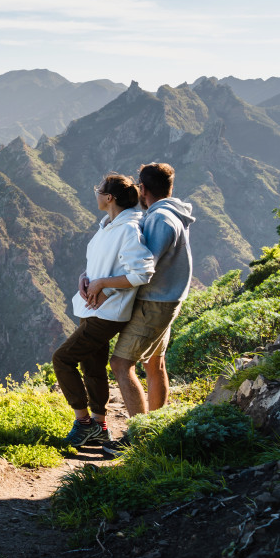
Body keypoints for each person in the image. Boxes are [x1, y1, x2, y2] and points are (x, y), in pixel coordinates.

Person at [54, 174, 155, 448]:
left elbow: (141, 273)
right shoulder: (109, 226)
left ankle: (83, 423)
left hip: (107, 312)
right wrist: (85, 277)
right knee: (92, 367)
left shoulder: (128, 229)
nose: (96, 194)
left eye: (98, 190)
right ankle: (99, 426)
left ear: (109, 197)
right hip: (91, 307)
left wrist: (102, 285)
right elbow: (104, 264)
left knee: (62, 360)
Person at [102, 163, 195, 454]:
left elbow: (143, 267)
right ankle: (155, 430)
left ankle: (138, 439)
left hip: (154, 303)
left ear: (143, 189)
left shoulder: (161, 219)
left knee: (120, 364)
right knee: (154, 364)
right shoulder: (174, 213)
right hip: (169, 301)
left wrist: (105, 287)